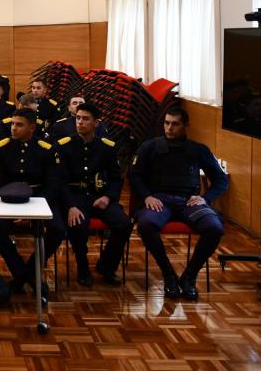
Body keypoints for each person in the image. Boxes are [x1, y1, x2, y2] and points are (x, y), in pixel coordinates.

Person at [130, 107, 228, 300]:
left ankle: (189, 277)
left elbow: (221, 179)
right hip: (159, 200)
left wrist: (206, 198)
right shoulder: (149, 147)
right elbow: (134, 176)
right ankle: (169, 275)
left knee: (215, 228)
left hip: (188, 202)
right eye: (166, 123)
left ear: (185, 126)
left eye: (175, 124)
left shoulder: (198, 149)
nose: (169, 128)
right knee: (147, 225)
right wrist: (147, 196)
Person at [0, 108, 65, 295]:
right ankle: (26, 275)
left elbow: (53, 184)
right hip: (8, 200)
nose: (13, 128)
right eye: (12, 124)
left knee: (57, 229)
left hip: (39, 199)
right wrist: (14, 209)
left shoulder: (46, 149)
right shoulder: (2, 147)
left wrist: (33, 212)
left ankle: (24, 274)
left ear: (32, 127)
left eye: (19, 125)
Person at [56, 103, 131, 286]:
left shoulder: (106, 147)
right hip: (75, 197)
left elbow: (116, 178)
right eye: (78, 118)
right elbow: (59, 181)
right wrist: (70, 206)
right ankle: (83, 268)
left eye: (85, 119)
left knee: (124, 224)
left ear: (96, 123)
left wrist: (108, 197)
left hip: (99, 196)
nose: (80, 122)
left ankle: (107, 266)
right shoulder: (64, 146)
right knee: (78, 225)